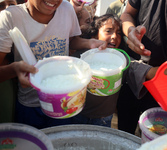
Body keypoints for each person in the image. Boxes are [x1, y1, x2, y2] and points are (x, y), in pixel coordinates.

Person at [0, 0, 107, 129]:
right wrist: (14, 69)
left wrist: (89, 43)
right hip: (30, 104)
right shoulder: (9, 17)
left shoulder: (66, 9)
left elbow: (70, 41)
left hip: (65, 100)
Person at [117, 0, 167, 135]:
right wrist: (130, 31)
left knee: (156, 137)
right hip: (132, 76)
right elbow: (127, 14)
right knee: (124, 132)